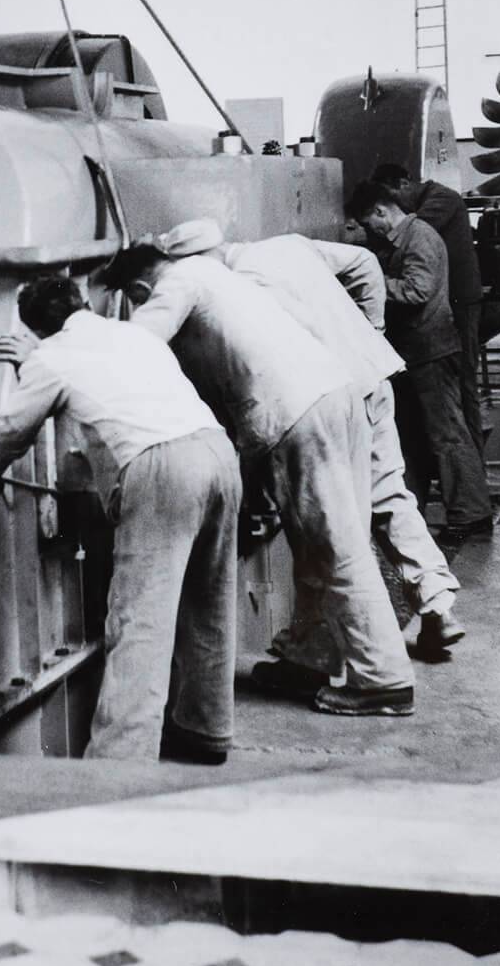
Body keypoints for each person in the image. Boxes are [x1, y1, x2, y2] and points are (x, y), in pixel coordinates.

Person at [101, 243, 416, 717]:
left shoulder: (179, 282)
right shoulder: (214, 276)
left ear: (142, 288)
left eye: (135, 297)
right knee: (317, 546)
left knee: (335, 546)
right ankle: (310, 658)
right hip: (335, 392)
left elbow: (134, 347)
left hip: (298, 409)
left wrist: (75, 345)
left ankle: (383, 680)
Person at [154, 219, 464, 664]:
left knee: (331, 529)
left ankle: (327, 652)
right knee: (392, 496)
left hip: (325, 399)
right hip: (373, 374)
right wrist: (371, 327)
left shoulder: (235, 288)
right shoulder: (285, 243)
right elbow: (363, 263)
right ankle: (437, 605)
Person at [0, 274, 242, 763]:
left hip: (162, 468)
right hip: (217, 453)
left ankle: (121, 760)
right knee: (209, 600)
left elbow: (12, 431)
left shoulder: (50, 358)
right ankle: (206, 730)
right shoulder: (132, 332)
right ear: (83, 302)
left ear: (36, 329)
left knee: (140, 621)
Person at [348, 182, 494, 541]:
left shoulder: (420, 237)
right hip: (413, 353)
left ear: (383, 211)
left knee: (447, 434)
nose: (370, 231)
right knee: (414, 436)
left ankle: (471, 515)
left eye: (370, 224)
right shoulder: (399, 240)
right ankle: (411, 511)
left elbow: (417, 290)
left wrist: (370, 280)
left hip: (432, 350)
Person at [370, 164, 485, 453]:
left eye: (394, 197)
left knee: (463, 383)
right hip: (446, 299)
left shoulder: (441, 200)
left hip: (460, 302)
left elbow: (409, 231)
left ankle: (473, 461)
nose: (395, 205)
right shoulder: (428, 202)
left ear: (405, 183)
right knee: (454, 389)